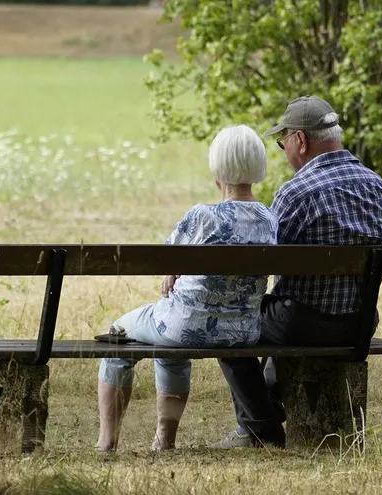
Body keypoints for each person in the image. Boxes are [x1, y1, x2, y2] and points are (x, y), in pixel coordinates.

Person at [210, 95, 382, 449]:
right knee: (280, 310)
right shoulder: (378, 186)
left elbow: (265, 262)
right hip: (360, 323)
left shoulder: (296, 193)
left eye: (283, 143)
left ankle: (260, 428)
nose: (284, 151)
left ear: (301, 140)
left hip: (303, 322)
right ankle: (268, 408)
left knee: (227, 321)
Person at [96, 124, 279, 452]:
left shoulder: (202, 216)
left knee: (118, 334)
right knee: (169, 341)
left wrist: (173, 270)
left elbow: (165, 260)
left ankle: (107, 442)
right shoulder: (269, 219)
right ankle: (163, 440)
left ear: (217, 171)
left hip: (184, 326)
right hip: (242, 331)